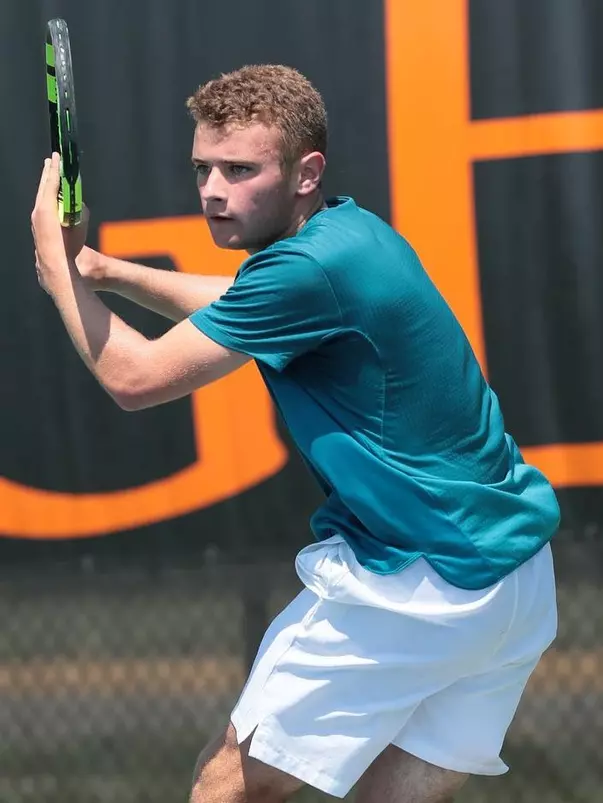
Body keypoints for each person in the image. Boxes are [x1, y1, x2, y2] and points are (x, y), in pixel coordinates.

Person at [31, 64, 559, 803]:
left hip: (415, 583)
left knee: (224, 788)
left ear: (306, 172)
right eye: (201, 169)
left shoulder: (306, 269)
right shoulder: (347, 234)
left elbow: (136, 377)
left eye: (239, 169)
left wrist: (55, 264)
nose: (213, 189)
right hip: (513, 582)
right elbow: (246, 303)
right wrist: (103, 270)